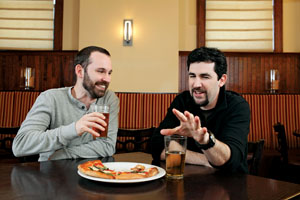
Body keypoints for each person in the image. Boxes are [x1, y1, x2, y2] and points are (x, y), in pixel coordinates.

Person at [151, 47, 250, 173]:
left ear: (221, 80)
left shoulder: (237, 106)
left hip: (230, 186)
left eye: (205, 77)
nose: (196, 84)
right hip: (190, 185)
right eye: (192, 76)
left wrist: (206, 141)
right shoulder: (182, 101)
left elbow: (231, 160)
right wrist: (204, 159)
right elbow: (156, 146)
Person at [12, 46, 119, 161]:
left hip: (91, 172)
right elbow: (20, 145)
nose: (107, 79)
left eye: (109, 73)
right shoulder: (51, 98)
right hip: (52, 173)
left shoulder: (108, 99)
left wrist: (62, 155)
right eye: (101, 71)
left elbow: (107, 145)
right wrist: (74, 129)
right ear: (80, 71)